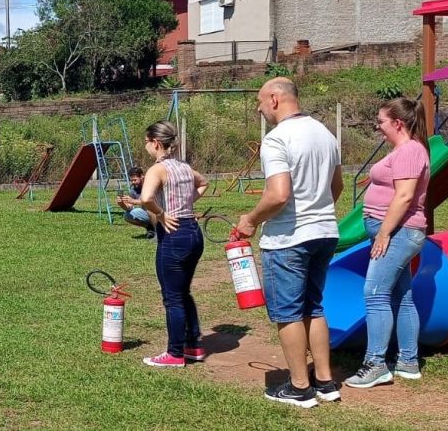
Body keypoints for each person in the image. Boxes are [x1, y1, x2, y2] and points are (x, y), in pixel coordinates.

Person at [235, 77, 343, 408]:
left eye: (260, 101)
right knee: (314, 306)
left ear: (275, 99)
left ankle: (299, 387)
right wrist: (317, 210)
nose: (259, 108)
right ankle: (325, 382)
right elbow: (336, 187)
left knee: (288, 312)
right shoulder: (325, 133)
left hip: (288, 238)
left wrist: (251, 219)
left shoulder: (277, 138)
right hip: (325, 231)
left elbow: (278, 194)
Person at [344, 98, 429, 388]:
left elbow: (404, 197)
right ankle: (407, 361)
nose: (378, 127)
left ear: (398, 123)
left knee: (375, 293)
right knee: (401, 295)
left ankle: (376, 364)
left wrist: (383, 234)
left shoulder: (409, 151)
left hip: (398, 232)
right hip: (395, 231)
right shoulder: (403, 150)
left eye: (380, 121)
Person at [138, 121, 210, 368]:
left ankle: (175, 353)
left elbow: (146, 198)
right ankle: (194, 345)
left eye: (147, 142)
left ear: (156, 143)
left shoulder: (156, 170)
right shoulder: (185, 167)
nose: (146, 147)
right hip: (193, 232)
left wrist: (161, 213)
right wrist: (186, 203)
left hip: (174, 235)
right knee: (183, 292)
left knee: (172, 297)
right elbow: (204, 183)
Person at [116, 166, 155, 239]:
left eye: (135, 180)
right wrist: (121, 203)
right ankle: (151, 227)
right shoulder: (134, 188)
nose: (133, 182)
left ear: (142, 176)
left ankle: (159, 229)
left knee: (141, 210)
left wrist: (134, 201)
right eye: (131, 180)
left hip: (160, 212)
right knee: (128, 215)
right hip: (147, 212)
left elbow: (153, 202)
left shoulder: (151, 184)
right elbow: (129, 207)